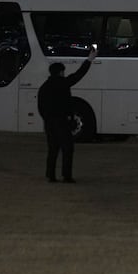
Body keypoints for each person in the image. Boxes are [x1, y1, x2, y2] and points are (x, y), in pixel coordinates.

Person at [37, 46, 96, 183]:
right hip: (62, 122)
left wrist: (47, 119)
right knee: (67, 149)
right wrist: (89, 60)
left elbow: (41, 107)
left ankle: (50, 175)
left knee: (53, 150)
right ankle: (66, 175)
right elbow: (78, 75)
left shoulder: (44, 87)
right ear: (61, 72)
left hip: (50, 123)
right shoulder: (62, 83)